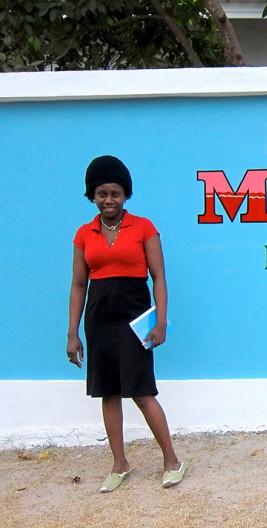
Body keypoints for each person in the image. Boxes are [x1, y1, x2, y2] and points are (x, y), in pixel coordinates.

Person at [66, 155, 185, 493]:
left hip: (135, 320)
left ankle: (172, 460)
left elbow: (159, 277)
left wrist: (160, 322)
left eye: (115, 193)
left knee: (143, 392)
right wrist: (73, 333)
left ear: (125, 195)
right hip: (99, 320)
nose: (108, 200)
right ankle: (120, 463)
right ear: (93, 195)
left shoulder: (144, 227)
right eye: (102, 193)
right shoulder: (83, 234)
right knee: (108, 393)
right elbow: (78, 285)